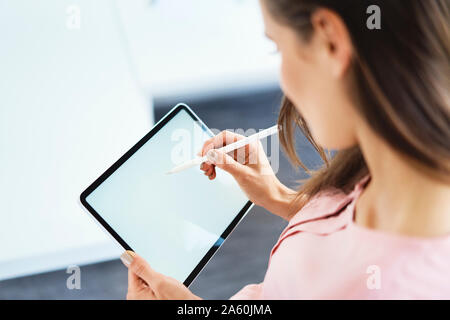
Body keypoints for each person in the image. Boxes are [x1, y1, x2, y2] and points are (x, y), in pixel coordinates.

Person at [120, 0, 450, 299]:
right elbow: (350, 237)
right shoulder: (395, 163)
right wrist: (281, 198)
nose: (284, 80)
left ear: (329, 40)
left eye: (278, 47)